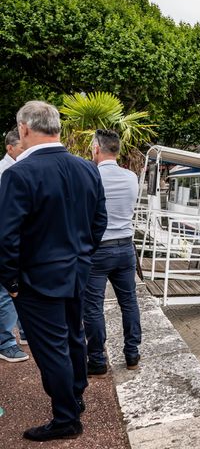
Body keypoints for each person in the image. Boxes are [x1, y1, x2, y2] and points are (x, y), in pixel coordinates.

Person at [0, 101, 107, 441]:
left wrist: (12, 282)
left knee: (51, 349)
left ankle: (66, 419)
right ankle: (75, 396)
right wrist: (83, 254)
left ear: (25, 129)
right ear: (56, 128)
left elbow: (6, 236)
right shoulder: (87, 168)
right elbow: (98, 221)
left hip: (37, 279)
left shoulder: (18, 174)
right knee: (74, 337)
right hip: (77, 271)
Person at [84, 129, 141, 377]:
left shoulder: (90, 176)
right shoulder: (131, 177)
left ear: (97, 148)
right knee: (128, 302)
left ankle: (97, 360)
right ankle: (132, 355)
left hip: (99, 249)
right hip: (126, 247)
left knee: (93, 306)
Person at [0, 129, 29, 363]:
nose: (26, 150)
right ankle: (6, 342)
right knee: (4, 293)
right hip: (6, 239)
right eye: (21, 147)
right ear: (10, 148)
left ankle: (25, 332)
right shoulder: (4, 171)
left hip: (18, 239)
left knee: (17, 287)